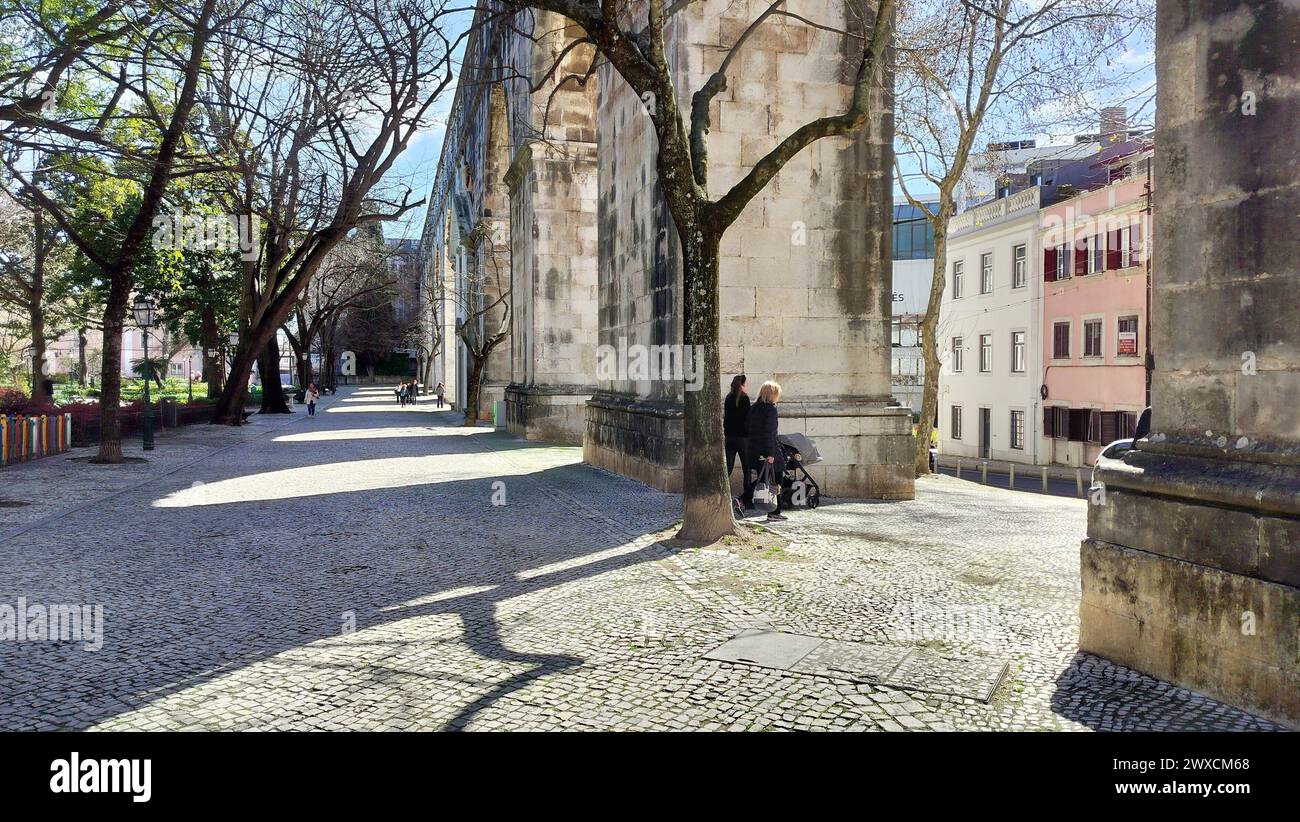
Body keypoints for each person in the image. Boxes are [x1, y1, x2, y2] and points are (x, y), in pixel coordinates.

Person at [745, 380, 786, 522]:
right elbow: (769, 433)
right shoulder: (771, 409)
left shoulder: (754, 408)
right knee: (777, 480)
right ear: (773, 394)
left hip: (755, 450)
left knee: (762, 480)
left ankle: (742, 501)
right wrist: (771, 454)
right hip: (769, 450)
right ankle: (774, 512)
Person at [724, 374, 751, 506]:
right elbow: (748, 420)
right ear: (742, 385)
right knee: (747, 468)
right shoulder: (745, 399)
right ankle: (747, 499)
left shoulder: (728, 398)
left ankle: (722, 494)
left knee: (727, 468)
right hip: (742, 439)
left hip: (729, 437)